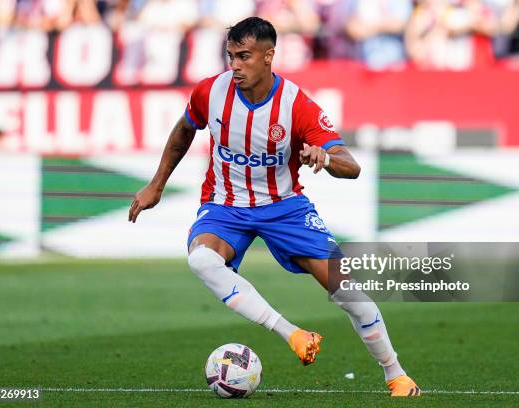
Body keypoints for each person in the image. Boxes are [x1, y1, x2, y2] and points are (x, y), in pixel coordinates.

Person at [128, 16, 420, 397]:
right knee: (201, 259)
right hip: (225, 205)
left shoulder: (295, 105)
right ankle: (293, 334)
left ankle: (397, 376)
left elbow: (352, 165)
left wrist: (326, 158)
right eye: (230, 56)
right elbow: (185, 128)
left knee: (349, 292)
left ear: (268, 56)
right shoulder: (210, 92)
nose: (234, 65)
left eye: (244, 56)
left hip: (285, 208)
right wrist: (157, 184)